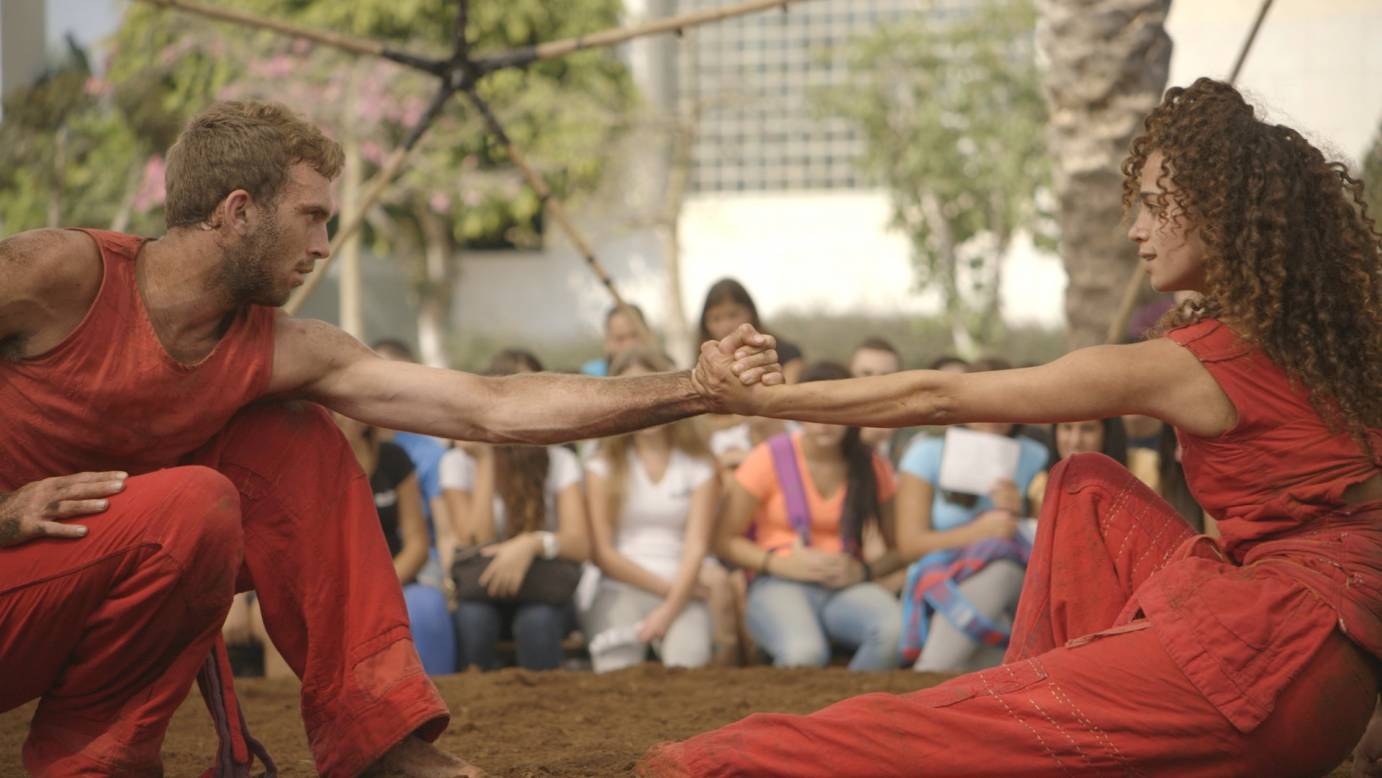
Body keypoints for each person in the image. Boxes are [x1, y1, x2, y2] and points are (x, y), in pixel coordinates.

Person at [0, 100, 781, 778]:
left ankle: (376, 743)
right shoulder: (59, 274)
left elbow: (491, 408)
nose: (325, 246)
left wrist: (692, 389)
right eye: (312, 217)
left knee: (292, 440)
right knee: (195, 500)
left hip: (80, 593)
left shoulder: (285, 349)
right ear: (238, 212)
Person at [642, 78, 1381, 776]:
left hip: (1267, 678)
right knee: (1085, 483)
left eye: (1155, 204)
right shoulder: (1332, 344)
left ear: (1216, 207)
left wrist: (751, 400)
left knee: (948, 723)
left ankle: (713, 766)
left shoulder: (1195, 362)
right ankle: (1055, 692)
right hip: (1324, 680)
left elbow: (936, 397)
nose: (1135, 229)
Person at [715, 362, 905, 671]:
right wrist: (778, 563)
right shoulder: (768, 457)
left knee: (894, 632)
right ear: (796, 411)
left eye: (834, 409)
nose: (823, 422)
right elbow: (722, 540)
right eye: (813, 410)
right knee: (804, 653)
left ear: (852, 411)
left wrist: (864, 572)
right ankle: (795, 718)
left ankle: (848, 715)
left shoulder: (872, 466)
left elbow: (900, 548)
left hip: (845, 586)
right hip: (777, 582)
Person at [439, 352, 590, 672]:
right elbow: (473, 539)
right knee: (474, 620)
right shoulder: (457, 463)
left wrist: (531, 544)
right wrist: (485, 459)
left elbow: (580, 543)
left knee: (538, 622)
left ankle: (544, 712)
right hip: (483, 593)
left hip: (542, 589)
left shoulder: (559, 461)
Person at [581, 349, 722, 672]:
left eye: (652, 390)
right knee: (616, 670)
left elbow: (696, 545)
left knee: (687, 669)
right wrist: (671, 593)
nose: (645, 402)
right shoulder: (600, 465)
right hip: (620, 588)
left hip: (682, 590)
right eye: (633, 391)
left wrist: (671, 608)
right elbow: (603, 552)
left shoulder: (700, 464)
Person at [892, 405, 1047, 673]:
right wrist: (978, 532)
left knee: (1002, 570)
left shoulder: (1035, 455)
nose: (995, 415)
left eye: (1006, 405)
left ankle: (930, 672)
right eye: (985, 404)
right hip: (939, 578)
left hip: (1012, 579)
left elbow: (1044, 532)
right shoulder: (927, 453)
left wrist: (1021, 509)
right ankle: (932, 673)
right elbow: (909, 545)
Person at [335, 412, 458, 676]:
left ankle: (436, 700)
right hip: (331, 583)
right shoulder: (308, 464)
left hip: (394, 575)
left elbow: (417, 543)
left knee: (427, 608)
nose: (342, 416)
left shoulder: (394, 458)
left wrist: (378, 589)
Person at [580, 303, 654, 377]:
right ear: (607, 343)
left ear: (650, 334)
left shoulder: (664, 370)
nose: (629, 345)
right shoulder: (590, 375)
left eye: (635, 335)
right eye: (620, 339)